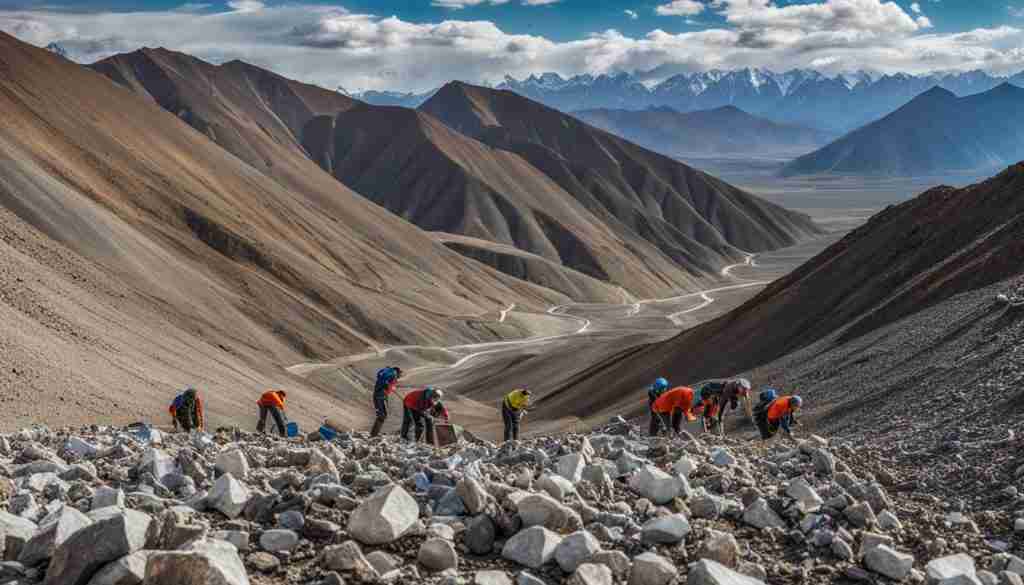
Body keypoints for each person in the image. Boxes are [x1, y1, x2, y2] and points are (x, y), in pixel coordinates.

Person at [370, 366, 403, 437]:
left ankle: (374, 434)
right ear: (398, 372)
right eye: (400, 375)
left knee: (382, 415)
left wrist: (390, 387)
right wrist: (389, 386)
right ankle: (373, 435)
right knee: (382, 415)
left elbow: (382, 379)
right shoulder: (393, 374)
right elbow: (386, 383)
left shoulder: (387, 372)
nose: (399, 377)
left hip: (379, 394)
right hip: (381, 395)